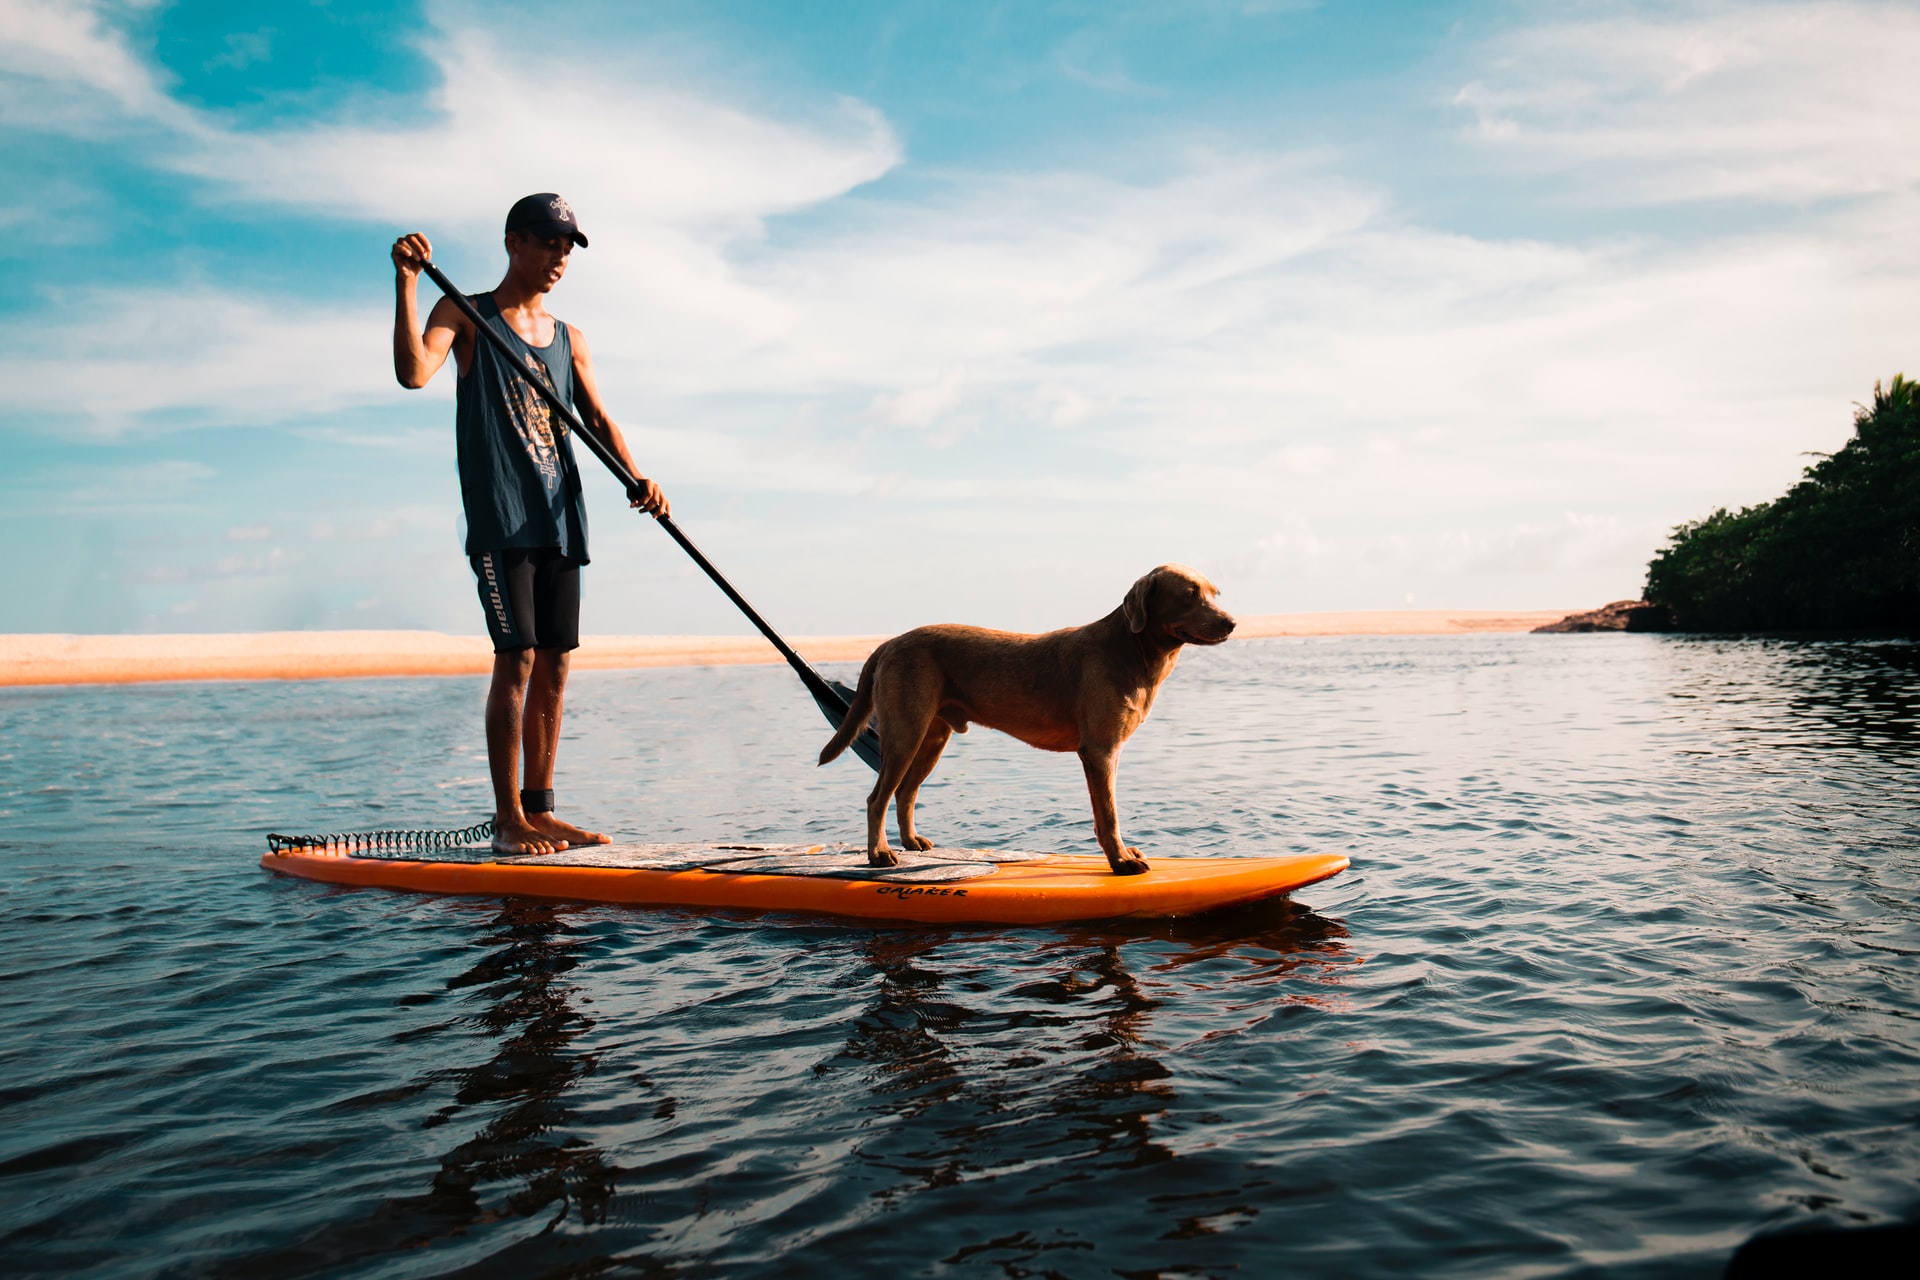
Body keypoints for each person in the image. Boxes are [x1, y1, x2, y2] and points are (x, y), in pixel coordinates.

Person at [390, 193, 668, 856]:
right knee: (514, 658)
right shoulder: (466, 312)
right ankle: (508, 818)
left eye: (568, 247)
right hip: (502, 518)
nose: (559, 258)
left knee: (555, 665)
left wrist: (639, 478)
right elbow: (413, 373)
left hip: (562, 514)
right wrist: (405, 283)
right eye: (548, 243)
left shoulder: (572, 339)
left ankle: (542, 811)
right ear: (515, 242)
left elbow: (598, 419)